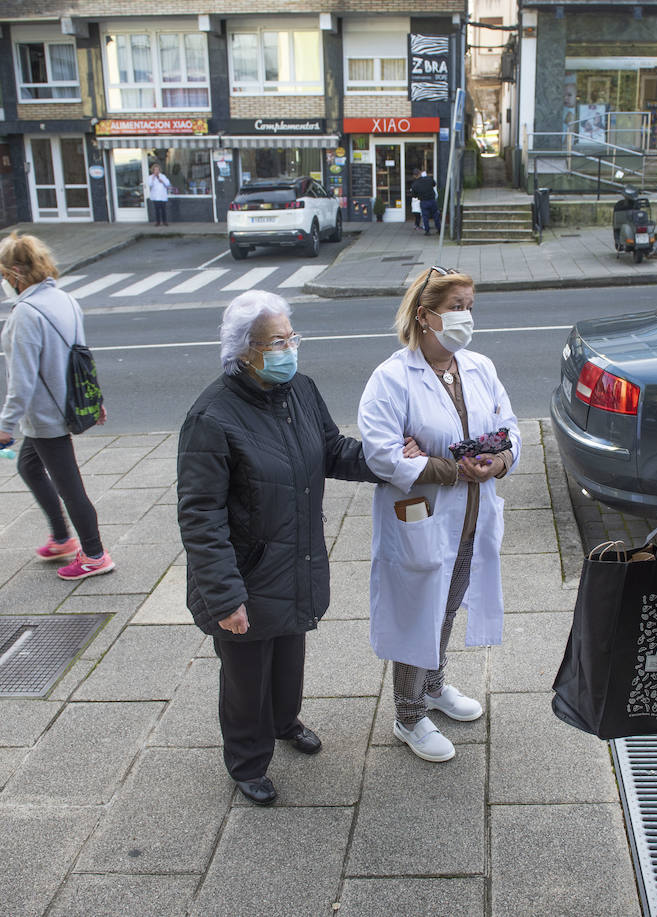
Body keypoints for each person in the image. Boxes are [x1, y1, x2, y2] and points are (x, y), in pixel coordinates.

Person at [177, 291, 408, 805]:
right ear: (244, 351)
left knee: (288, 652)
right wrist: (225, 597)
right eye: (277, 341)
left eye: (291, 337)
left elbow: (331, 449)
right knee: (245, 674)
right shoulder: (211, 419)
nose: (289, 348)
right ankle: (246, 761)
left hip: (293, 557)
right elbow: (200, 517)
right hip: (245, 570)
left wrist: (387, 459)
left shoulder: (300, 390)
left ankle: (284, 722)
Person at [358, 266, 520, 762]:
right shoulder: (392, 378)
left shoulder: (479, 368)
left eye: (470, 306)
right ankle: (407, 716)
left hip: (472, 517)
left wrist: (500, 459)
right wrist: (451, 471)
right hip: (421, 520)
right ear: (426, 316)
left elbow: (509, 426)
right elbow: (381, 454)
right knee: (416, 614)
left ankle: (433, 686)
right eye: (456, 307)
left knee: (446, 607)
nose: (466, 317)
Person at [0, 232, 114, 581]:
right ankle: (61, 538)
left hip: (47, 415)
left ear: (16, 272)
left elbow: (22, 380)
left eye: (3, 273)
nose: (3, 281)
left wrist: (5, 426)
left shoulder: (25, 314)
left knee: (69, 486)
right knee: (30, 467)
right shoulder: (65, 300)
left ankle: (94, 554)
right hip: (67, 404)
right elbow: (82, 359)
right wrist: (94, 399)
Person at [410, 170, 439, 236]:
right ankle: (439, 229)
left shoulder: (415, 184)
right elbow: (434, 184)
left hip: (423, 201)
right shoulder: (428, 179)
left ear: (414, 176)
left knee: (425, 217)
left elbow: (414, 195)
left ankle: (427, 231)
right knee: (435, 215)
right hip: (432, 200)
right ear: (420, 173)